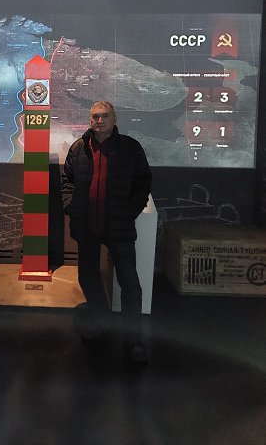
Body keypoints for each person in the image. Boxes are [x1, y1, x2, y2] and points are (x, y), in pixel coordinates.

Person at [61, 101, 152, 363]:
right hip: (87, 227)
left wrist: (129, 211)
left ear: (114, 119)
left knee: (130, 285)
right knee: (88, 277)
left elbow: (143, 182)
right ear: (90, 120)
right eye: (95, 117)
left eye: (104, 116)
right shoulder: (79, 148)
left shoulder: (131, 148)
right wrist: (71, 207)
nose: (99, 120)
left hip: (119, 228)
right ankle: (100, 325)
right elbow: (67, 181)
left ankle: (133, 340)